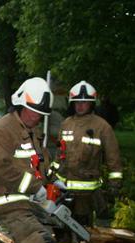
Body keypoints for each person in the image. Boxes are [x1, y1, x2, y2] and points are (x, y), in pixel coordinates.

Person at [0, 77, 94, 243]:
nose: (36, 117)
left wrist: (52, 182)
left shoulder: (32, 131)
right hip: (8, 200)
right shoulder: (3, 130)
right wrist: (37, 188)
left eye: (39, 113)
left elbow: (38, 164)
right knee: (37, 237)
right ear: (20, 104)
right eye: (32, 111)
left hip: (29, 200)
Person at [52, 81, 122, 227]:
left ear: (91, 103)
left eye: (84, 102)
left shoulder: (102, 127)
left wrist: (114, 185)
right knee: (62, 230)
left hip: (87, 194)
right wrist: (52, 175)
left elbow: (113, 158)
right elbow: (59, 155)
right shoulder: (66, 124)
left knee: (82, 230)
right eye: (77, 101)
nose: (80, 105)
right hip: (64, 190)